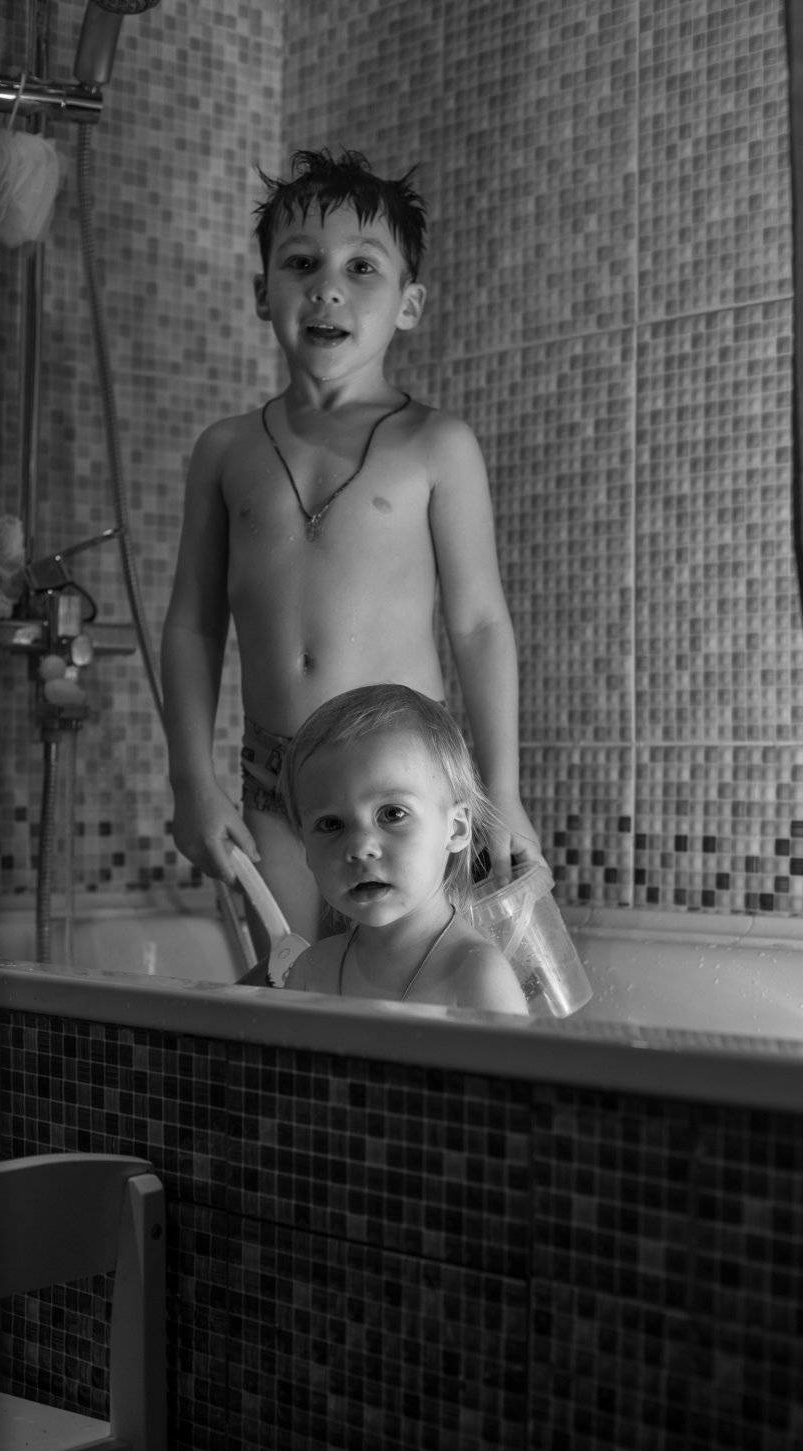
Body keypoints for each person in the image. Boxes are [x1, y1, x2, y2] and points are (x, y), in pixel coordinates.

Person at [161, 147, 541, 942]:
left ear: (409, 304)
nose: (327, 287)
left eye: (362, 267)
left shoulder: (434, 444)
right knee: (287, 981)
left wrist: (500, 791)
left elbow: (478, 624)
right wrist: (190, 779)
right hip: (276, 775)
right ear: (262, 292)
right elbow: (193, 625)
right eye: (301, 263)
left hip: (404, 776)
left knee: (412, 977)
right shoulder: (226, 450)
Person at [277, 684, 528, 1014]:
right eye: (330, 824)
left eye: (392, 814)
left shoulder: (477, 976)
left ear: (456, 828)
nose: (360, 847)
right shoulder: (310, 971)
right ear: (306, 847)